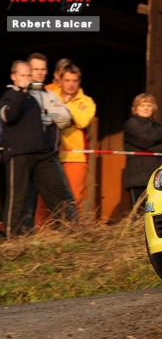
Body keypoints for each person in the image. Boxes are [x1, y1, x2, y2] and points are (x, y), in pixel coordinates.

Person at [0, 61, 70, 238]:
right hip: (18, 154)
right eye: (23, 75)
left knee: (56, 189)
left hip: (41, 153)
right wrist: (21, 93)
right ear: (13, 77)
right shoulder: (9, 96)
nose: (27, 78)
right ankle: (11, 235)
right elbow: (8, 116)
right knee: (18, 196)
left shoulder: (33, 99)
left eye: (28, 75)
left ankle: (67, 229)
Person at [26, 53, 77, 226]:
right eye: (36, 69)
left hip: (48, 154)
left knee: (63, 193)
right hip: (25, 154)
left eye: (42, 69)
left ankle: (74, 230)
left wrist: (45, 114)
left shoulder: (51, 94)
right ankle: (23, 233)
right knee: (27, 198)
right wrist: (48, 115)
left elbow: (65, 119)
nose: (40, 72)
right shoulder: (21, 94)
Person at [53, 64, 97, 214]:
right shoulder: (50, 96)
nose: (71, 84)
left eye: (74, 80)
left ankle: (74, 228)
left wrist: (65, 107)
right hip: (51, 154)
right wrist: (72, 114)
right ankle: (42, 228)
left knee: (74, 198)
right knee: (44, 199)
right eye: (67, 80)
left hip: (76, 157)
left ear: (79, 82)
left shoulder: (87, 101)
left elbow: (83, 121)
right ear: (60, 81)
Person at [123, 93, 162, 206]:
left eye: (149, 105)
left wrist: (150, 148)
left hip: (157, 177)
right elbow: (146, 140)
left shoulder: (158, 126)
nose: (146, 108)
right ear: (135, 108)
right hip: (138, 178)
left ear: (154, 108)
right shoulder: (131, 124)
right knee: (141, 212)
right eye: (142, 105)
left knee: (157, 210)